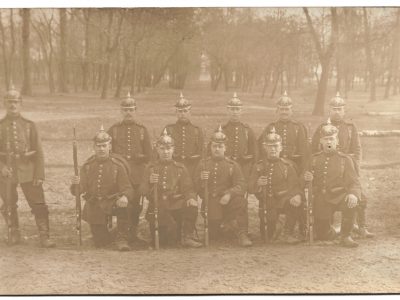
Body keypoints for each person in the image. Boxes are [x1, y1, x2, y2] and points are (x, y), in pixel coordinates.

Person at [311, 92, 374, 239]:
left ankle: (361, 226)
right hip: (328, 170)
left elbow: (357, 150)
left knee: (360, 197)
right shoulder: (322, 128)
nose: (337, 111)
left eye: (340, 109)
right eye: (334, 109)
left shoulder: (351, 128)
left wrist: (354, 168)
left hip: (346, 169)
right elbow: (314, 149)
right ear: (329, 110)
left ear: (344, 111)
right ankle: (329, 226)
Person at [0, 85, 55, 247]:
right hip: (7, 172)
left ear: (21, 103)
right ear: (4, 103)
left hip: (28, 169)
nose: (13, 105)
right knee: (9, 203)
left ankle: (44, 235)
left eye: (16, 101)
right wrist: (1, 167)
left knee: (38, 203)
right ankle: (13, 232)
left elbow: (38, 151)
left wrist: (39, 174)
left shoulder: (30, 125)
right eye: (9, 102)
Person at [71, 126, 134, 251]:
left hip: (113, 202)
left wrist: (124, 196)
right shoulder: (88, 166)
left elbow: (128, 188)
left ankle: (122, 237)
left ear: (110, 146)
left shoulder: (118, 166)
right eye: (98, 146)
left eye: (104, 145)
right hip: (95, 203)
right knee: (101, 243)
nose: (101, 149)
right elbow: (79, 190)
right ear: (94, 147)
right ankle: (109, 234)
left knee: (124, 206)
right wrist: (75, 184)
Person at [304, 119, 361, 247]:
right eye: (326, 139)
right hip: (321, 198)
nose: (329, 142)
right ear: (321, 141)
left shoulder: (345, 160)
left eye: (332, 139)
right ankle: (335, 231)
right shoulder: (314, 159)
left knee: (351, 202)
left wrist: (353, 194)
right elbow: (304, 181)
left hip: (340, 196)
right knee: (322, 235)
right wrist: (307, 178)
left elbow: (354, 182)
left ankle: (346, 236)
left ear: (337, 141)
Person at [140, 129, 202, 248]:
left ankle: (187, 237)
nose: (166, 152)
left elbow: (188, 188)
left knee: (192, 206)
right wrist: (149, 182)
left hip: (175, 204)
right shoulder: (150, 168)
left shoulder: (180, 168)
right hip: (157, 206)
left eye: (168, 149)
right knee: (164, 239)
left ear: (173, 150)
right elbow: (142, 190)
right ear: (157, 149)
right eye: (162, 149)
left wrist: (191, 198)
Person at [194, 126, 252, 247]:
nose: (217, 149)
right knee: (214, 235)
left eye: (220, 146)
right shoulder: (203, 164)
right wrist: (201, 180)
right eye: (214, 146)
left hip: (228, 200)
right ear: (210, 147)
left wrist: (229, 193)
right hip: (211, 201)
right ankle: (225, 225)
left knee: (241, 202)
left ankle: (242, 234)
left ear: (225, 148)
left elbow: (241, 185)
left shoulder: (232, 165)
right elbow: (196, 188)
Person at [107, 92, 152, 244]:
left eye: (131, 109)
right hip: (118, 173)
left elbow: (149, 155)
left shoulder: (141, 130)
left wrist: (141, 159)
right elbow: (107, 152)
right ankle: (121, 232)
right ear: (121, 111)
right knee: (122, 202)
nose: (128, 113)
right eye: (125, 110)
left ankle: (133, 231)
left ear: (135, 110)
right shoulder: (113, 130)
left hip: (137, 173)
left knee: (136, 204)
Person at [249, 127, 303, 244]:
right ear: (265, 147)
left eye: (275, 146)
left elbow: (295, 186)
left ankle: (287, 232)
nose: (273, 149)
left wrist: (297, 195)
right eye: (269, 146)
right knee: (267, 236)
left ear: (280, 148)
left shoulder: (288, 166)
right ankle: (278, 224)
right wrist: (258, 184)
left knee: (294, 203)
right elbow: (250, 187)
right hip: (267, 202)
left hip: (284, 200)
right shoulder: (258, 166)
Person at [258, 91, 309, 174]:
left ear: (291, 110)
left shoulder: (298, 127)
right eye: (282, 109)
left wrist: (303, 171)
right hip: (275, 165)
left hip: (295, 165)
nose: (284, 112)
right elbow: (262, 149)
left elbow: (304, 151)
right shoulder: (271, 127)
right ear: (277, 110)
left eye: (287, 109)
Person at [163, 92, 203, 179]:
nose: (183, 114)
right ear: (176, 113)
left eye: (185, 111)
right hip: (173, 168)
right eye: (180, 111)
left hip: (192, 169)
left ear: (190, 112)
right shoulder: (169, 129)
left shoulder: (197, 130)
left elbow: (202, 154)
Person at [221, 93, 257, 182]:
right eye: (232, 109)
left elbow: (254, 152)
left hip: (243, 168)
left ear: (241, 111)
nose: (235, 112)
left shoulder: (247, 130)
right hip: (225, 167)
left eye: (237, 109)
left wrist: (252, 169)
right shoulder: (221, 130)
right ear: (227, 110)